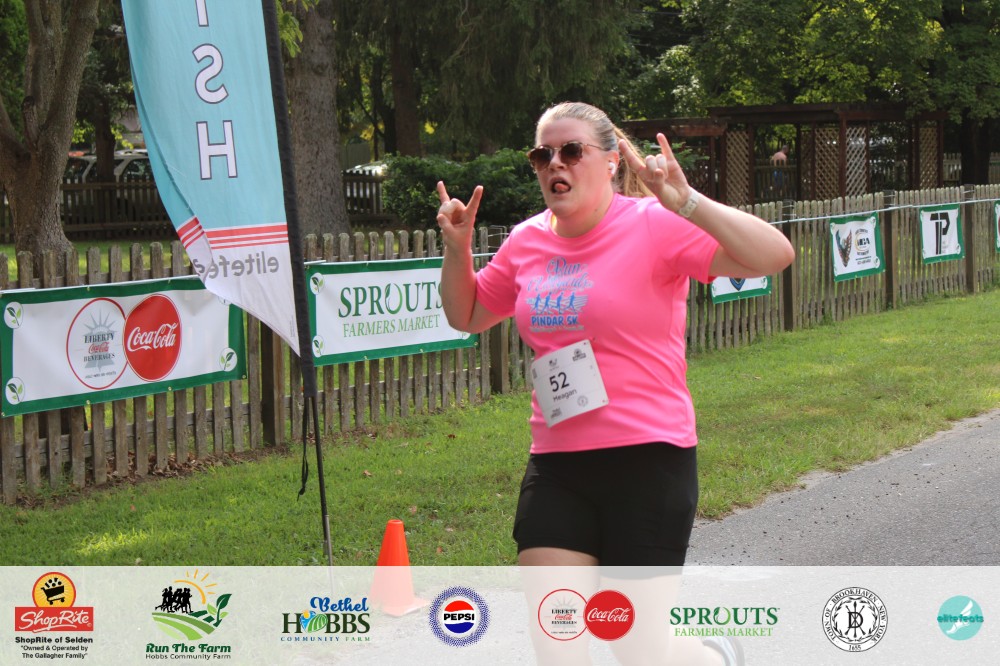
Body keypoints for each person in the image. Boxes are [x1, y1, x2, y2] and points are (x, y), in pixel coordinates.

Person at [436, 102, 794, 665]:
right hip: (558, 465)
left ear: (609, 161)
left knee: (634, 647)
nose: (556, 163)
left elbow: (775, 255)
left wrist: (687, 202)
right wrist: (457, 250)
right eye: (542, 155)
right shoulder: (527, 241)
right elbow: (468, 313)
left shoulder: (652, 223)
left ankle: (716, 657)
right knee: (558, 644)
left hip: (647, 459)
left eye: (571, 151)